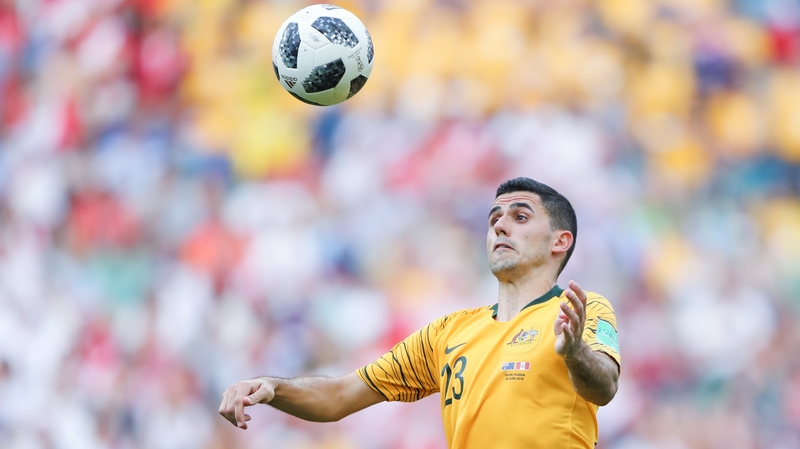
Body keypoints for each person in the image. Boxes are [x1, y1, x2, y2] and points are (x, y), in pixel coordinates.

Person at [219, 177, 621, 449]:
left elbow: (603, 387)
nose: (499, 228)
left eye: (519, 217)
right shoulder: (449, 332)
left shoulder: (578, 312)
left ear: (560, 241)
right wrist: (272, 387)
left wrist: (574, 353)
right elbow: (340, 396)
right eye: (494, 219)